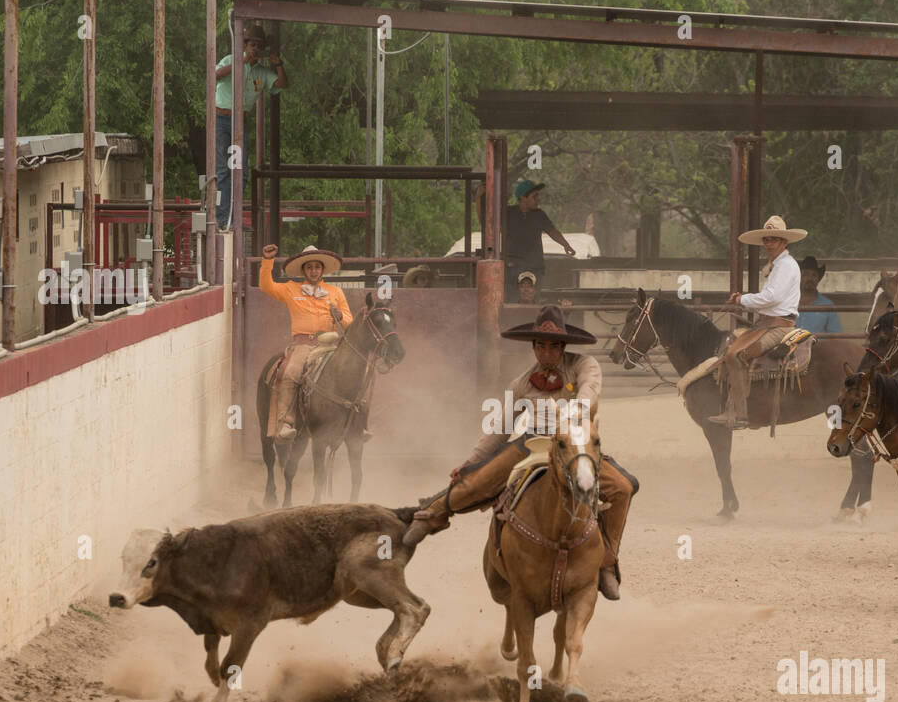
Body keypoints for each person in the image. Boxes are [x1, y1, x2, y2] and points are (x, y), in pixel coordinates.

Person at [402, 305, 638, 600]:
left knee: (623, 488)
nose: (547, 352)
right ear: (534, 347)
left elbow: (589, 392)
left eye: (553, 346)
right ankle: (429, 514)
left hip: (576, 444)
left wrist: (574, 413)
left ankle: (607, 561)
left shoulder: (584, 365)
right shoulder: (522, 382)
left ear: (563, 346)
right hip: (532, 442)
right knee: (477, 479)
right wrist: (472, 462)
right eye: (540, 345)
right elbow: (499, 429)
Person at [709, 215, 807, 427]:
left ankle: (740, 415)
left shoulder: (785, 266)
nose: (768, 243)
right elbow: (771, 298)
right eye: (766, 239)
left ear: (784, 242)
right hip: (769, 324)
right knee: (731, 345)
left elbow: (772, 297)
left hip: (779, 327)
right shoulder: (778, 265)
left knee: (736, 355)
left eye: (773, 239)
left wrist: (742, 299)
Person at [258, 243, 352, 442]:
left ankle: (355, 423)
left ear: (322, 269)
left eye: (317, 267)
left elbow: (350, 323)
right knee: (291, 372)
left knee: (353, 371)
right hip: (303, 345)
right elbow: (266, 286)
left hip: (331, 345)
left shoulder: (336, 292)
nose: (314, 271)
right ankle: (285, 422)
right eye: (309, 267)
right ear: (303, 270)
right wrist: (267, 261)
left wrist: (340, 317)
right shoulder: (291, 289)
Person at [214, 25, 288, 230]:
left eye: (258, 46)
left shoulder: (262, 72)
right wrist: (241, 62)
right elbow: (215, 75)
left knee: (240, 171)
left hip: (240, 121)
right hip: (221, 118)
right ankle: (222, 218)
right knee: (222, 170)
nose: (255, 49)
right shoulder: (231, 60)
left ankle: (234, 216)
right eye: (252, 44)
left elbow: (281, 84)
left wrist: (278, 64)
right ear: (245, 45)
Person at [504, 180, 575, 297]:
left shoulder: (539, 215)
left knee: (534, 301)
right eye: (534, 196)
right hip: (513, 266)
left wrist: (566, 245)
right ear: (523, 197)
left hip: (535, 266)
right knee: (513, 299)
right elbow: (486, 221)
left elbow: (552, 231)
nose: (538, 199)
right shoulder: (508, 213)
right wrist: (479, 197)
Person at [794, 255, 842, 335]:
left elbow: (836, 334)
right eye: (805, 274)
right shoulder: (788, 301)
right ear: (799, 277)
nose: (810, 278)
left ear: (818, 279)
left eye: (814, 275)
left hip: (817, 347)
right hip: (790, 346)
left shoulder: (827, 305)